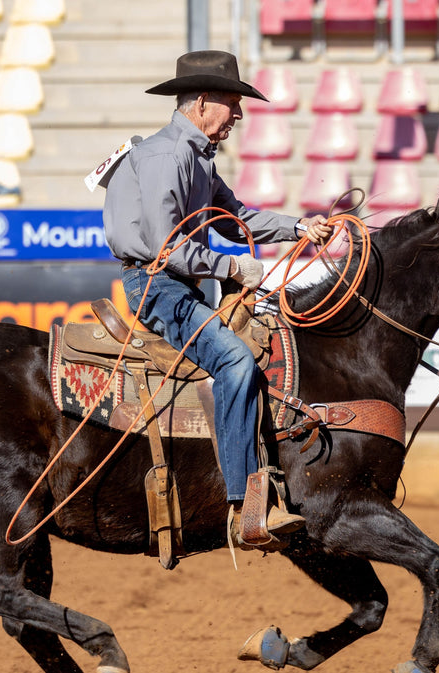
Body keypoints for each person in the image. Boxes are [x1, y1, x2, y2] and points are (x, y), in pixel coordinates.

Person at [102, 50, 334, 549]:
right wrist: (232, 267)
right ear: (203, 102)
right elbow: (168, 248)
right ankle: (245, 507)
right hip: (157, 286)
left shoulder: (194, 157)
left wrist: (299, 226)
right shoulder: (168, 157)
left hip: (174, 283)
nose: (239, 115)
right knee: (235, 363)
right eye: (233, 103)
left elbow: (237, 217)